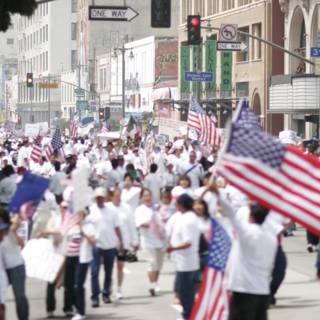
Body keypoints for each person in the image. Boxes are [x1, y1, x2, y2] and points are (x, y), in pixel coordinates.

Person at [218, 195, 278, 320]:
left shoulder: (247, 232)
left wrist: (218, 195)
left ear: (250, 216)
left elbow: (231, 214)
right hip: (262, 291)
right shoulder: (272, 238)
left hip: (244, 289)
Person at [167, 194, 200, 320]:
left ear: (181, 205)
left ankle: (188, 315)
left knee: (186, 293)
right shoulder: (187, 217)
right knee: (184, 291)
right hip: (184, 262)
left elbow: (188, 242)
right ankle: (188, 314)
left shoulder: (188, 220)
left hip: (187, 263)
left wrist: (173, 248)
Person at [89, 187, 124, 307]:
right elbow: (87, 226)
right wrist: (90, 238)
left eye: (101, 198)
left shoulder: (112, 211)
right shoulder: (91, 210)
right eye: (97, 198)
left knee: (108, 272)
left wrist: (121, 243)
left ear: (105, 198)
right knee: (94, 272)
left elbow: (117, 227)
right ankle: (95, 296)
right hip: (96, 246)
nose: (99, 200)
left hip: (110, 245)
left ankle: (106, 294)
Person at [107, 188, 138, 300]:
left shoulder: (127, 208)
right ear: (111, 197)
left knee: (120, 266)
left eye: (119, 195)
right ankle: (108, 287)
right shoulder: (108, 207)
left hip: (122, 242)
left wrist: (135, 241)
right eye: (116, 195)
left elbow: (131, 225)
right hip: (109, 242)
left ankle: (119, 289)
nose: (118, 198)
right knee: (109, 268)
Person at [135, 188, 166, 296]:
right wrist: (154, 223)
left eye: (149, 195)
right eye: (145, 196)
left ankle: (156, 282)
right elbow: (141, 224)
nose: (148, 198)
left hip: (160, 240)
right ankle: (152, 285)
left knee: (159, 264)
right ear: (142, 198)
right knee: (152, 263)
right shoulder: (140, 210)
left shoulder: (156, 208)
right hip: (148, 240)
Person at [1, 214, 29, 320]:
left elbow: (21, 243)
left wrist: (14, 226)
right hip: (3, 270)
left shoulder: (10, 230)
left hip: (17, 266)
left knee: (19, 296)